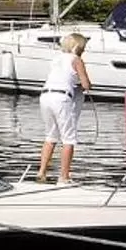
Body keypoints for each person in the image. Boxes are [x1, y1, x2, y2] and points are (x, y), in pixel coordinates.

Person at [37, 31, 92, 184]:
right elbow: (86, 84)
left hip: (45, 96)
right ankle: (64, 176)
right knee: (69, 139)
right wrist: (85, 86)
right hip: (61, 98)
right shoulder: (77, 60)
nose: (84, 50)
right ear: (77, 47)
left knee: (50, 136)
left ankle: (41, 172)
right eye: (83, 47)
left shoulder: (56, 59)